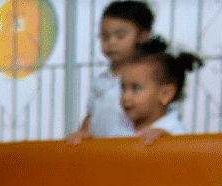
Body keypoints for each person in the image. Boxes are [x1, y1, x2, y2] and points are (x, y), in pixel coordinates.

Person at [66, 1, 181, 145]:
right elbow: (91, 115)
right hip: (104, 151)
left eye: (120, 36)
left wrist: (162, 132)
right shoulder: (101, 80)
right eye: (105, 37)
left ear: (142, 35)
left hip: (135, 148)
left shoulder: (152, 77)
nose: (111, 42)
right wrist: (82, 133)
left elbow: (168, 119)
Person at [119, 38, 203, 142]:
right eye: (123, 89)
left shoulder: (173, 130)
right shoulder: (122, 127)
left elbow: (183, 153)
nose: (125, 97)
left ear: (165, 94)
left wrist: (166, 140)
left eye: (136, 88)